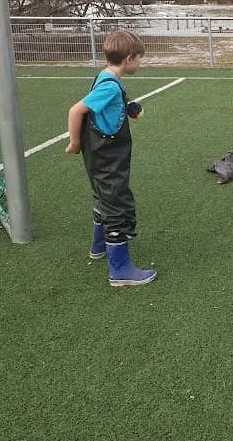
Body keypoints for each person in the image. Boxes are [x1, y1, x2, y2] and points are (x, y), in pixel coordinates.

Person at [65, 30, 156, 286]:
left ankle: (99, 247)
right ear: (129, 59)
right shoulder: (109, 86)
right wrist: (74, 142)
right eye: (139, 59)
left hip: (104, 155)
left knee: (104, 197)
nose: (141, 63)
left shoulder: (107, 77)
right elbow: (77, 110)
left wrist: (129, 110)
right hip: (106, 157)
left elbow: (106, 108)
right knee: (117, 204)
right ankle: (120, 270)